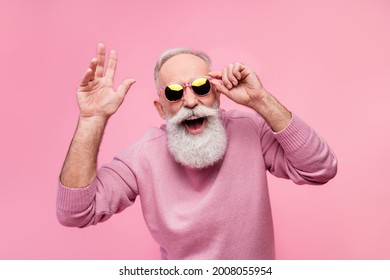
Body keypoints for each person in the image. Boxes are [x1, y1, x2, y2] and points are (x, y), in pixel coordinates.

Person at [57, 43, 337, 259]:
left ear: (217, 94)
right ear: (161, 108)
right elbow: (75, 212)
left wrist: (261, 100)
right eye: (174, 93)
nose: (190, 101)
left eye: (201, 87)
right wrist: (91, 120)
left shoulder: (249, 130)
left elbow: (320, 169)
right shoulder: (143, 156)